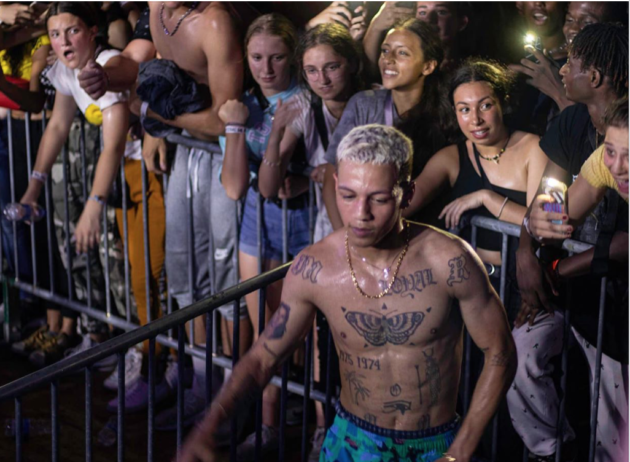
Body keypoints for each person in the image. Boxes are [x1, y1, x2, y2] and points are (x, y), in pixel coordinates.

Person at [179, 124, 516, 462]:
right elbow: (263, 358)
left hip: (436, 443)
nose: (361, 214)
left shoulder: (450, 260)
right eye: (349, 195)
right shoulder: (314, 268)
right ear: (336, 185)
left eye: (379, 199)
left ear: (407, 194)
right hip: (353, 440)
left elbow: (500, 351)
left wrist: (460, 451)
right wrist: (207, 427)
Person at [76, 2, 248, 429]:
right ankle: (200, 390)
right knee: (184, 273)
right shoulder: (156, 8)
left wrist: (157, 117)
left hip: (222, 156)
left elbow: (226, 117)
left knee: (227, 280)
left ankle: (233, 401)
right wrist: (105, 75)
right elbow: (133, 59)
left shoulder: (214, 19)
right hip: (185, 151)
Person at [510, 23, 628, 462]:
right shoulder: (596, 151)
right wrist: (530, 241)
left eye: (572, 61)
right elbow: (554, 204)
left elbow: (623, 246)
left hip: (614, 306)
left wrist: (553, 272)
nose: (617, 166)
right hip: (583, 296)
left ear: (595, 77)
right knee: (519, 354)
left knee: (618, 436)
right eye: (611, 153)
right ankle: (550, 453)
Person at [13, 3, 134, 368]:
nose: (62, 42)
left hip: (127, 178)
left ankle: (135, 350)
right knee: (84, 256)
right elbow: (57, 126)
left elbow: (114, 143)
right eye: (54, 34)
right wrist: (34, 185)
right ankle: (97, 338)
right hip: (106, 176)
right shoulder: (68, 71)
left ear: (93, 30)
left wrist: (94, 204)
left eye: (72, 31)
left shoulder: (106, 66)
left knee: (120, 266)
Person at [268, 22, 365, 459]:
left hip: (365, 242)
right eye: (311, 70)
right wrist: (275, 133)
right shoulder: (306, 107)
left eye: (332, 67)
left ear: (352, 65)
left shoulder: (371, 104)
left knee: (361, 345)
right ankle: (323, 432)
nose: (322, 79)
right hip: (327, 245)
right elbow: (268, 185)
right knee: (325, 345)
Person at [217, 13, 309, 460]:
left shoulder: (306, 98)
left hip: (303, 221)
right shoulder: (245, 104)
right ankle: (269, 426)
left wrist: (310, 179)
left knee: (306, 333)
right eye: (257, 57)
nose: (266, 68)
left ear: (292, 56)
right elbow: (234, 186)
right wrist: (234, 126)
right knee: (264, 331)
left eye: (276, 57)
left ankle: (320, 430)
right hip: (258, 216)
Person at [403, 59, 547, 320]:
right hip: (469, 285)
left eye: (486, 105)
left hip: (521, 286)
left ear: (503, 101)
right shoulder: (451, 158)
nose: (476, 120)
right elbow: (404, 204)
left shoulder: (533, 148)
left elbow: (541, 222)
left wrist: (486, 198)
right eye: (464, 109)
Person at [322, 18, 455, 231]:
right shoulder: (363, 104)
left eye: (402, 53)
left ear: (428, 66)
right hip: (361, 231)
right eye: (385, 50)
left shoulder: (446, 116)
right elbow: (331, 177)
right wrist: (345, 237)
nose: (388, 59)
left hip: (417, 239)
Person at [509, 1, 627, 132]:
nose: (573, 29)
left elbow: (588, 141)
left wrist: (558, 91)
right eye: (569, 19)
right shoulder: (550, 68)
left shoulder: (615, 88)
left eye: (587, 22)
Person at [415, 2, 470, 74]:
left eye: (441, 12)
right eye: (422, 13)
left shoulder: (469, 72)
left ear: (462, 22)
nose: (429, 20)